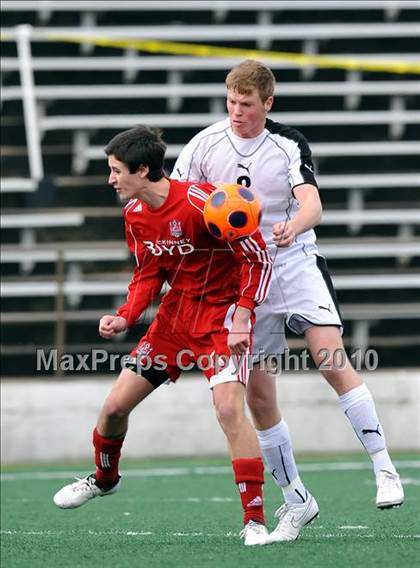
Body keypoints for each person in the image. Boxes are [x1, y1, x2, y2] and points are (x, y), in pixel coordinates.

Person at [171, 59, 404, 542]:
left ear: (267, 104)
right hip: (243, 273)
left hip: (293, 260)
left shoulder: (287, 144)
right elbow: (179, 198)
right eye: (232, 102)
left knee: (330, 358)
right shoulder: (204, 144)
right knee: (259, 395)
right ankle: (296, 499)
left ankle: (384, 467)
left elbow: (313, 204)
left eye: (247, 104)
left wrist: (292, 225)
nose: (237, 111)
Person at [53, 125, 273, 547]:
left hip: (221, 321)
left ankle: (254, 520)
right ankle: (104, 478)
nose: (110, 179)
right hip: (174, 321)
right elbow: (148, 273)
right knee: (115, 407)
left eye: (116, 171)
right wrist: (125, 316)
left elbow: (257, 259)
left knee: (229, 412)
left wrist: (244, 313)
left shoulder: (204, 202)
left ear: (141, 170)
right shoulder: (134, 214)